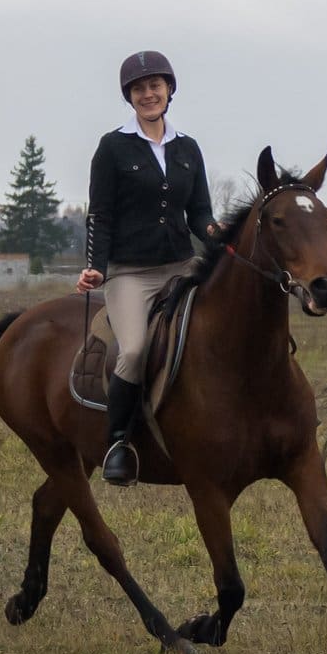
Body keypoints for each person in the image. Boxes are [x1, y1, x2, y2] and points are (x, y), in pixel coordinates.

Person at [77, 50, 218, 486]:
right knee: (135, 350)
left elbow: (199, 212)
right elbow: (100, 215)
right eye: (139, 89)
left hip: (182, 266)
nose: (148, 94)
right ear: (130, 97)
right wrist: (95, 268)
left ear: (169, 89)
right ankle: (119, 442)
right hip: (130, 273)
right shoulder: (112, 147)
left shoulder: (188, 148)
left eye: (155, 85)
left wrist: (215, 233)